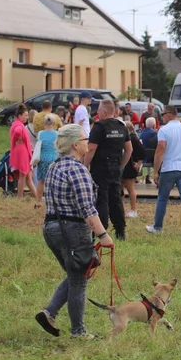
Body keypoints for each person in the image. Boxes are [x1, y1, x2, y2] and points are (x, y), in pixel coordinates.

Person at [35, 124, 114, 339]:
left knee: (75, 275)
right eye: (85, 138)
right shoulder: (77, 169)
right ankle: (78, 331)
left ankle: (49, 313)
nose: (88, 142)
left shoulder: (54, 166)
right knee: (79, 280)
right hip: (72, 230)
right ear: (75, 145)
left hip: (51, 228)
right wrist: (103, 235)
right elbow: (87, 208)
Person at [85, 100, 132, 240]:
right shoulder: (122, 126)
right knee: (116, 199)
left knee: (101, 199)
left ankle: (101, 230)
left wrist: (84, 166)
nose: (98, 113)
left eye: (99, 110)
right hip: (115, 167)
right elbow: (129, 149)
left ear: (104, 112)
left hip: (100, 167)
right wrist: (121, 166)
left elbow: (91, 149)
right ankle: (120, 231)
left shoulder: (99, 127)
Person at [148, 105, 181, 235]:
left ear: (169, 114)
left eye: (163, 114)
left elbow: (160, 150)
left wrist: (156, 171)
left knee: (162, 198)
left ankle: (157, 227)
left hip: (169, 168)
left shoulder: (164, 130)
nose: (162, 117)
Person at [31, 114, 60, 210]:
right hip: (53, 158)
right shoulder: (57, 134)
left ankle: (38, 201)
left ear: (44, 123)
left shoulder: (40, 133)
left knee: (41, 180)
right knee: (53, 181)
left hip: (42, 158)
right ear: (54, 123)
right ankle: (53, 201)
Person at [121, 116, 145, 219]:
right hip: (125, 166)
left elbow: (142, 151)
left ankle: (134, 209)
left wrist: (138, 163)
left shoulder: (133, 139)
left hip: (130, 167)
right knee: (120, 188)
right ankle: (120, 209)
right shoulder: (128, 138)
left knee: (130, 188)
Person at [9, 105, 33, 198]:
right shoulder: (19, 125)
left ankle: (36, 196)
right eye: (25, 115)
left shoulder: (16, 124)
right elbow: (17, 131)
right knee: (23, 174)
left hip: (21, 151)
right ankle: (20, 196)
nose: (27, 117)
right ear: (20, 115)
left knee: (27, 177)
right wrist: (18, 137)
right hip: (22, 152)